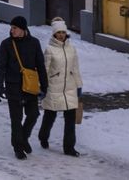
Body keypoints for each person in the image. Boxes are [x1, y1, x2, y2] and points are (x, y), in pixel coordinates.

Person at [0, 15, 48, 160]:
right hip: (13, 86)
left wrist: (45, 86)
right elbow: (0, 67)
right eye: (11, 28)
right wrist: (0, 86)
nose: (12, 31)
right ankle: (18, 148)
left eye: (15, 28)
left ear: (23, 29)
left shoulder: (34, 43)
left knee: (33, 114)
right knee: (16, 118)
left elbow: (40, 66)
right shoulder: (6, 44)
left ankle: (23, 138)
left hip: (29, 86)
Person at [38, 18, 82, 157]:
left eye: (63, 32)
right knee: (50, 115)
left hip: (69, 87)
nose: (61, 35)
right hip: (53, 87)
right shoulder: (49, 49)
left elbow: (75, 68)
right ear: (54, 34)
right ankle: (43, 136)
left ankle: (69, 148)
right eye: (59, 32)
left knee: (70, 120)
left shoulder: (71, 49)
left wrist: (79, 85)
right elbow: (44, 69)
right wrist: (42, 86)